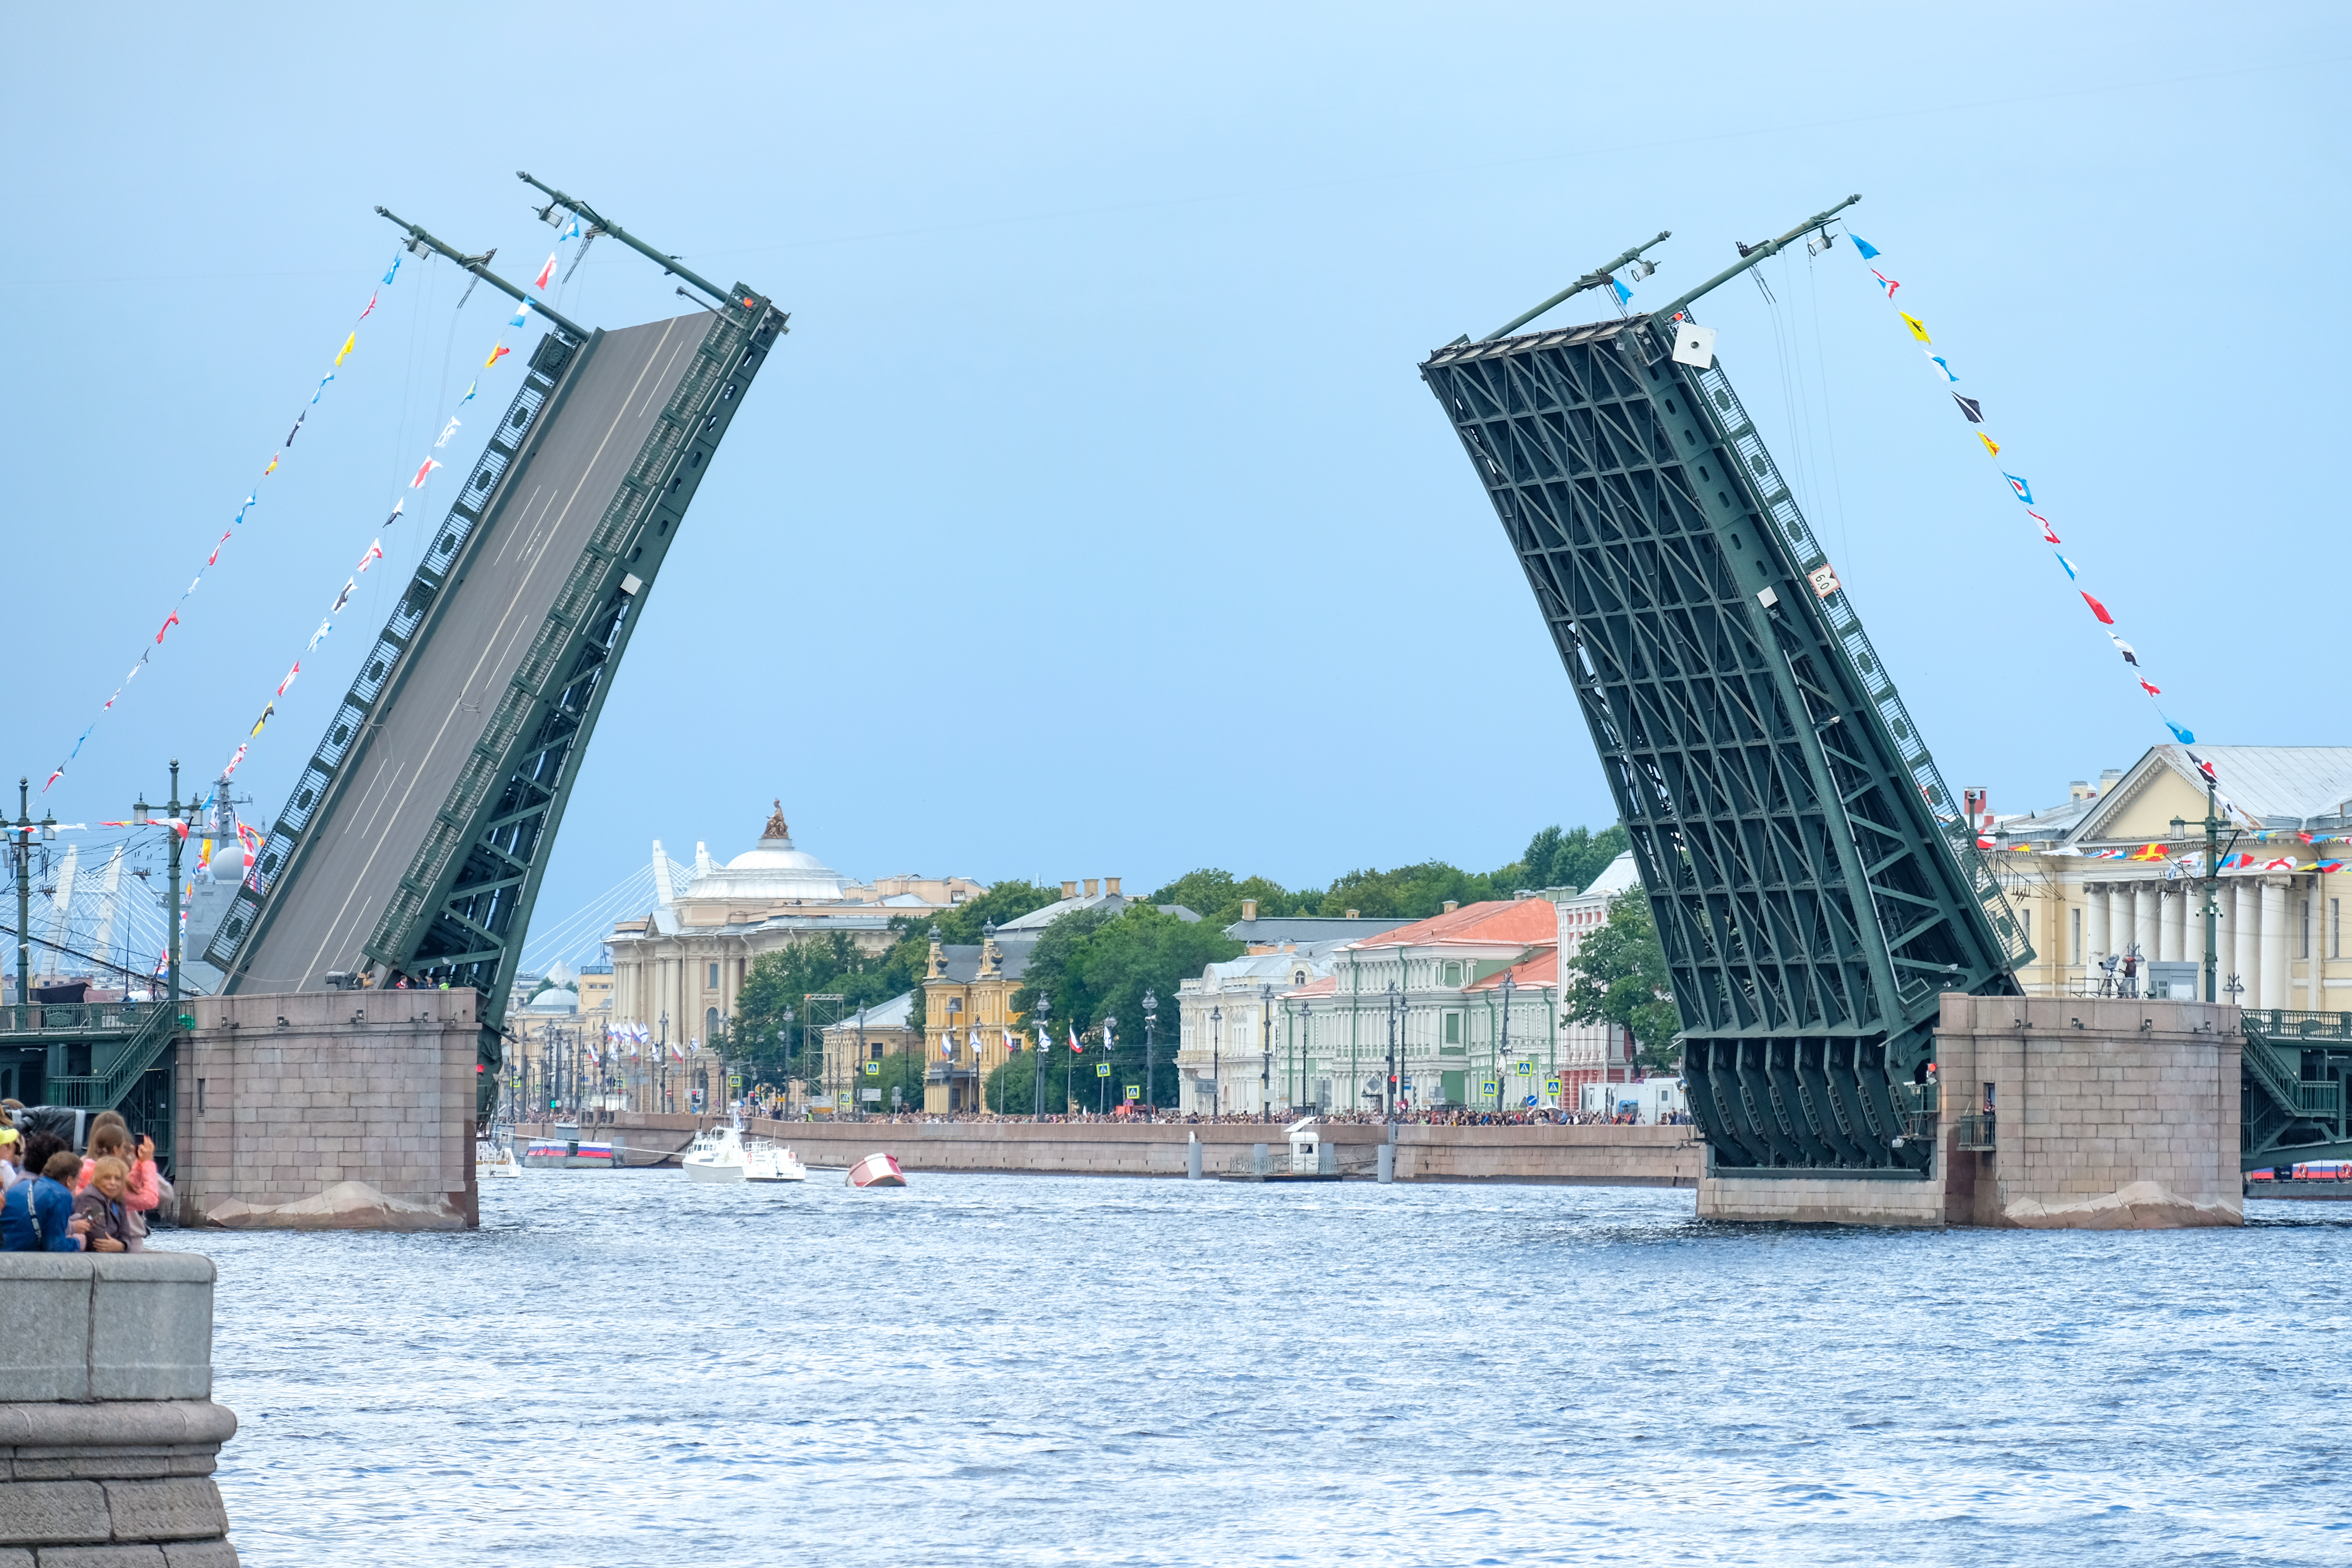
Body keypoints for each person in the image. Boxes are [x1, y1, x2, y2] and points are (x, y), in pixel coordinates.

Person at [2, 1150, 90, 1251]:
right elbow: (55, 1246)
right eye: (79, 1179)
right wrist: (78, 1242)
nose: (78, 1183)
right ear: (69, 1181)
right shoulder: (62, 1195)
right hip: (15, 1258)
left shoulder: (25, 1183)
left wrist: (74, 1222)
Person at [74, 1156, 132, 1253]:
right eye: (107, 1178)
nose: (113, 1183)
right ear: (97, 1178)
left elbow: (126, 1235)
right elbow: (99, 1241)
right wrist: (121, 1246)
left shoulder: (119, 1200)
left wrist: (121, 1246)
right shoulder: (91, 1198)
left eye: (118, 1179)